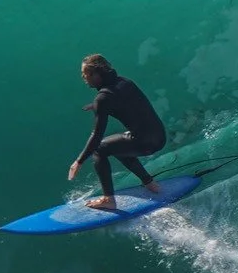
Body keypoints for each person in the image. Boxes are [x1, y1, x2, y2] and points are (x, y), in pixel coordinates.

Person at [67, 53, 166, 210]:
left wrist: (78, 161)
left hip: (144, 143)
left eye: (86, 74)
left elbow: (96, 135)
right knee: (117, 146)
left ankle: (108, 200)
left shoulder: (103, 98)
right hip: (160, 137)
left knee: (100, 149)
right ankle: (150, 183)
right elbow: (123, 100)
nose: (83, 77)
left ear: (97, 74)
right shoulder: (125, 82)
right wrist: (96, 106)